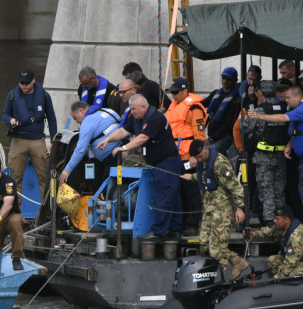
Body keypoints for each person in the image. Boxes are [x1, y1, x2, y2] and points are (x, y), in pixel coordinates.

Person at [97, 94, 182, 239]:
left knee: (162, 196)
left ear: (144, 107)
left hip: (168, 162)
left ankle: (158, 232)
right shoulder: (137, 118)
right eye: (131, 109)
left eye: (134, 109)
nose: (132, 112)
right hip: (157, 163)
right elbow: (123, 130)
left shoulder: (156, 118)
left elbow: (143, 138)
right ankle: (174, 230)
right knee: (171, 196)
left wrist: (123, 148)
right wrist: (108, 139)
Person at [183, 140, 249, 280]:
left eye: (200, 156)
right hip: (210, 208)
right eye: (197, 158)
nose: (199, 159)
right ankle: (237, 261)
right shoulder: (203, 162)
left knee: (217, 248)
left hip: (222, 209)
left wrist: (240, 208)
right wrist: (192, 177)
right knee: (204, 242)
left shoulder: (220, 163)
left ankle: (219, 279)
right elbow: (205, 177)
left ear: (206, 149)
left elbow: (235, 187)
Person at [250, 86, 303, 229]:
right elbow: (301, 130)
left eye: (289, 97)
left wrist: (259, 116)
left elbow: (283, 118)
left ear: (298, 97)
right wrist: (290, 144)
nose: (286, 100)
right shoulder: (301, 108)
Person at [2, 67, 57, 200]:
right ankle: (16, 213)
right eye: (22, 83)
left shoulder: (44, 95)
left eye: (27, 83)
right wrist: (11, 120)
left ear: (33, 80)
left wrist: (54, 141)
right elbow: (5, 115)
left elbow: (51, 118)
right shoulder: (12, 95)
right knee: (15, 177)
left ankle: (46, 213)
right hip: (18, 140)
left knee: (45, 176)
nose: (24, 86)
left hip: (38, 140)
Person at [240, 80, 289, 227]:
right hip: (281, 158)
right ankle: (281, 219)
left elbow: (244, 129)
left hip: (263, 157)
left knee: (266, 189)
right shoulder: (284, 110)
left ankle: (269, 221)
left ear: (260, 92)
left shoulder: (259, 111)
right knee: (279, 189)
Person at [164, 77, 207, 235]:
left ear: (184, 91)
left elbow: (199, 135)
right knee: (179, 191)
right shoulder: (174, 106)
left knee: (191, 190)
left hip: (189, 157)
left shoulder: (193, 108)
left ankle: (193, 223)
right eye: (172, 92)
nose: (173, 95)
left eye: (176, 92)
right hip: (175, 156)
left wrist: (195, 156)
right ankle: (181, 222)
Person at [58, 101, 121, 185]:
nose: (77, 122)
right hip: (121, 153)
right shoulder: (107, 110)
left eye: (75, 118)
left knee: (107, 189)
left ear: (81, 110)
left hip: (111, 158)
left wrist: (67, 170)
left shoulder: (87, 122)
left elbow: (80, 150)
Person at [248, 206, 303, 278]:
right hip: (294, 258)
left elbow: (291, 262)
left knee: (292, 275)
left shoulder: (296, 235)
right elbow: (270, 231)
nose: (274, 221)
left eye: (277, 219)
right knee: (272, 260)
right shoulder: (282, 227)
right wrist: (254, 233)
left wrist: (277, 277)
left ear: (287, 220)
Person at [201, 67, 241, 155]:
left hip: (226, 136)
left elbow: (229, 124)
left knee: (208, 153)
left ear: (235, 80)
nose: (225, 81)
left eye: (229, 79)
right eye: (223, 78)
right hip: (213, 134)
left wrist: (212, 139)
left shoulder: (236, 99)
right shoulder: (216, 93)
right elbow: (201, 104)